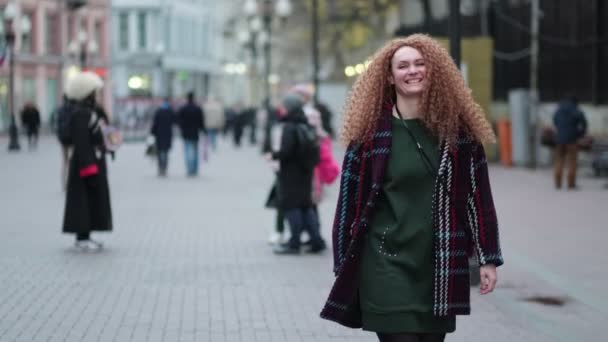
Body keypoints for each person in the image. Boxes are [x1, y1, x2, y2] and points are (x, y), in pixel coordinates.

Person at [319, 34, 504, 342]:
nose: (412, 71)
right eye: (402, 66)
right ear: (390, 76)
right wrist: (344, 260)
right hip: (383, 263)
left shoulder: (458, 134)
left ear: (433, 71)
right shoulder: (368, 136)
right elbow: (348, 203)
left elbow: (477, 198)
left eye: (420, 64)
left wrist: (488, 257)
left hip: (438, 263)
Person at [268, 94, 326, 255]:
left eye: (284, 107)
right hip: (306, 173)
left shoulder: (289, 127)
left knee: (292, 206)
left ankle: (294, 243)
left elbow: (286, 152)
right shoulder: (307, 125)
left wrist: (273, 155)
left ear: (289, 108)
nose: (282, 109)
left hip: (291, 174)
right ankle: (316, 241)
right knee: (306, 206)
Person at [62, 71, 112, 251]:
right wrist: (89, 168)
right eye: (93, 92)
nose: (95, 95)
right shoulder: (81, 115)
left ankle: (87, 235)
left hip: (91, 162)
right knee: (82, 201)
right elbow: (82, 143)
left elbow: (101, 132)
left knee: (90, 201)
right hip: (85, 165)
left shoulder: (90, 112)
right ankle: (81, 237)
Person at [553, 96, 587, 190]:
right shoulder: (576, 110)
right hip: (572, 140)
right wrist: (580, 134)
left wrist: (560, 131)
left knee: (559, 161)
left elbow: (555, 121)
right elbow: (584, 123)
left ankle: (558, 183)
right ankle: (571, 184)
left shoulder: (559, 109)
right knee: (572, 162)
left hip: (559, 139)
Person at [177, 92, 205, 176]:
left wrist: (182, 127)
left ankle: (189, 169)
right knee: (195, 151)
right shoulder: (198, 108)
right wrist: (203, 131)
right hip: (195, 133)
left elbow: (178, 120)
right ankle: (195, 169)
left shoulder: (183, 109)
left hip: (185, 133)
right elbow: (201, 121)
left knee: (187, 151)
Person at [151, 98, 175, 176]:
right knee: (165, 152)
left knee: (160, 152)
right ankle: (164, 168)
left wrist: (152, 133)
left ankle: (161, 168)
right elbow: (175, 121)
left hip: (159, 135)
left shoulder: (158, 112)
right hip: (168, 135)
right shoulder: (170, 112)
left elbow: (155, 124)